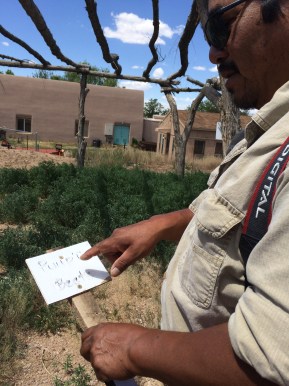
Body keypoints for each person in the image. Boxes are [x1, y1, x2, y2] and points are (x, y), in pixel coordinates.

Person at [80, 0, 289, 384]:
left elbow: (270, 359)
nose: (213, 52)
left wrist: (133, 348)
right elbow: (237, 215)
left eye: (220, 27)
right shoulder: (266, 134)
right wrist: (160, 225)